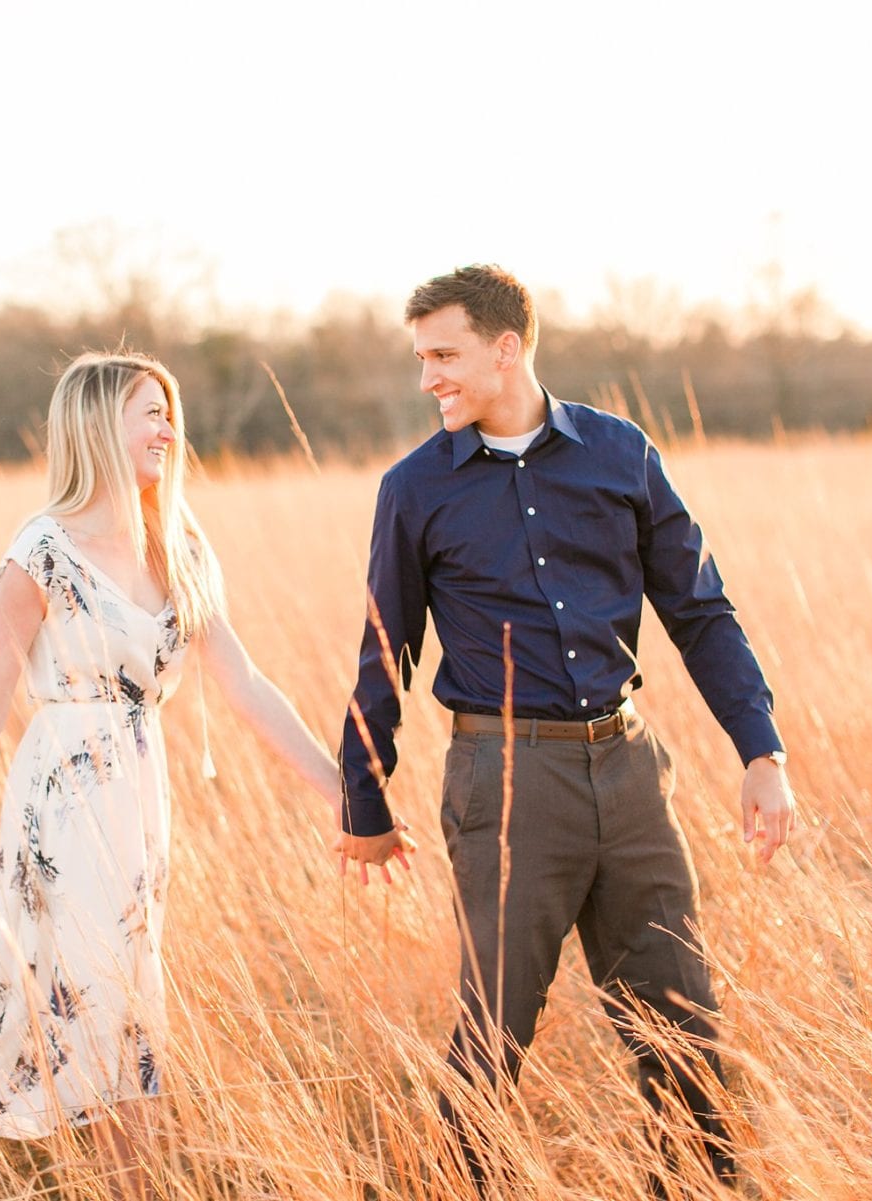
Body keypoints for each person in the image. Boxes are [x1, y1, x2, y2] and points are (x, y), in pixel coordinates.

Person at [0, 350, 374, 1201]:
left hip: (137, 808)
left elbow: (246, 686)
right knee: (77, 1002)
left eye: (169, 410)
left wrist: (350, 794)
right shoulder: (41, 552)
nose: (167, 426)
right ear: (95, 424)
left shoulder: (182, 548)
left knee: (96, 1003)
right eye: (146, 410)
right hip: (59, 805)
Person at [334, 265, 797, 1193]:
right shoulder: (415, 489)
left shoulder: (620, 454)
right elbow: (386, 652)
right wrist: (363, 796)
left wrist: (761, 749)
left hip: (629, 774)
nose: (429, 377)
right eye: (421, 356)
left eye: (445, 355)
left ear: (508, 349)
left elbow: (700, 609)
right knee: (494, 1033)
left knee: (681, 1023)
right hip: (504, 784)